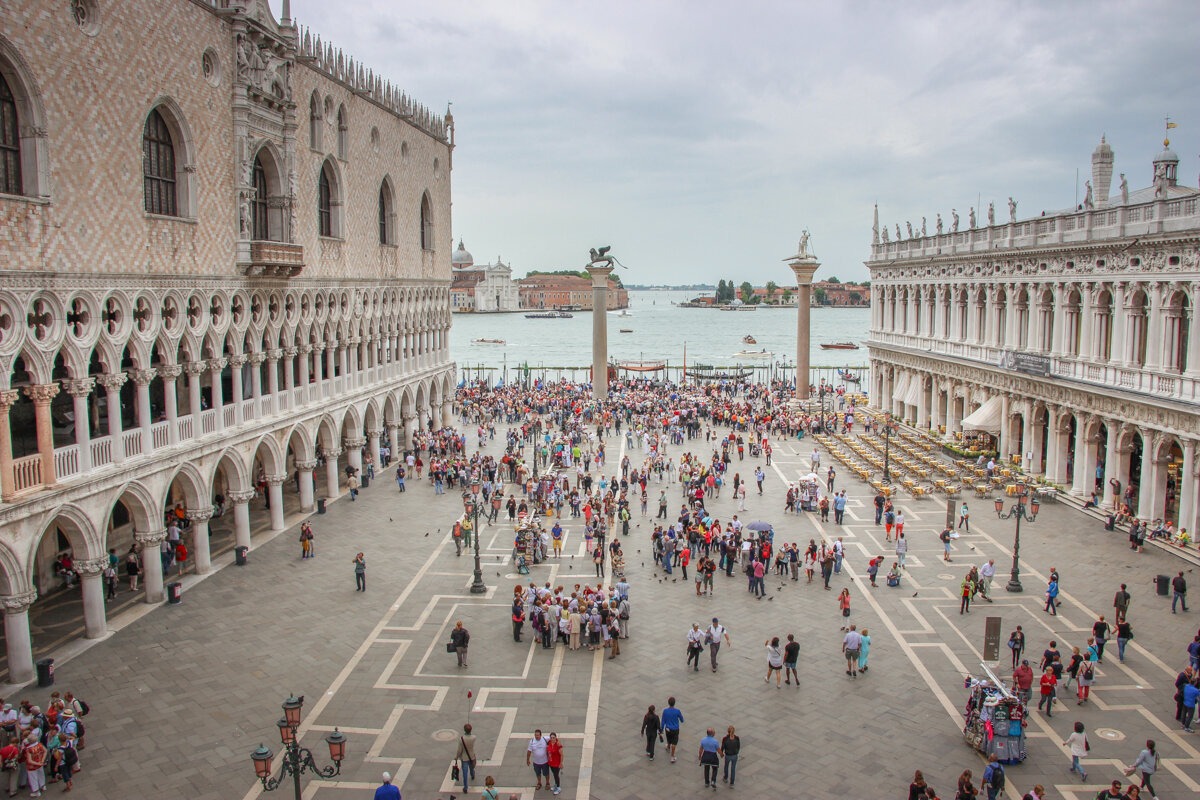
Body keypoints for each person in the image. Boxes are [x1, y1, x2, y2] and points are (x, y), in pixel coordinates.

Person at [454, 723, 477, 795]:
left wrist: (456, 757)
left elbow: (459, 750)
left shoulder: (461, 739)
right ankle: (473, 775)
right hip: (472, 756)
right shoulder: (474, 737)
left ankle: (465, 787)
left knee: (465, 773)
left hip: (464, 758)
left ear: (464, 730)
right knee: (472, 768)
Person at [23, 734, 47, 798]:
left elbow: (29, 760)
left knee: (33, 778)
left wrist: (38, 763)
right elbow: (45, 751)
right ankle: (43, 786)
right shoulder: (39, 745)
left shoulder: (29, 749)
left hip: (32, 766)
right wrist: (42, 760)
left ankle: (36, 791)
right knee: (41, 774)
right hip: (40, 763)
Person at [660, 697, 683, 762]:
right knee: (674, 742)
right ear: (674, 703)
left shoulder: (665, 711)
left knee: (669, 738)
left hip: (667, 729)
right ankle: (672, 756)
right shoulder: (677, 711)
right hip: (675, 729)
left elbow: (663, 721)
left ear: (668, 703)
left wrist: (661, 729)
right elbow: (682, 719)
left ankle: (668, 747)